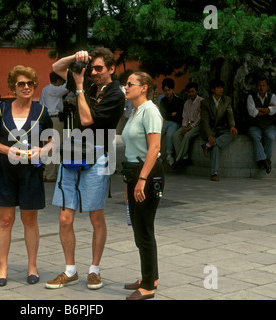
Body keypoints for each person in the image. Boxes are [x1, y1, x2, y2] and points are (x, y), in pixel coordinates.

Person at [46, 47, 125, 290]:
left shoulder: (115, 94)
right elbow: (56, 68)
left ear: (111, 69)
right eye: (92, 68)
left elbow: (88, 120)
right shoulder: (88, 83)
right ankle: (70, 270)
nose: (94, 73)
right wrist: (76, 58)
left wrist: (79, 87)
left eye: (99, 68)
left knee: (95, 216)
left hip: (99, 155)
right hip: (72, 152)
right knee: (64, 217)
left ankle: (94, 269)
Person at [0, 65, 54, 287]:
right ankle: (2, 268)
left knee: (30, 219)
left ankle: (32, 266)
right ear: (13, 87)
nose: (26, 87)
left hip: (30, 172)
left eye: (30, 84)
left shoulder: (41, 111)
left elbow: (52, 139)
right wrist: (6, 150)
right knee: (5, 220)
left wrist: (43, 150)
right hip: (5, 170)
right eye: (21, 84)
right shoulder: (0, 108)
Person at [121, 71, 164, 300]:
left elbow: (154, 148)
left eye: (130, 84)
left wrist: (142, 180)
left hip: (147, 175)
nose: (126, 87)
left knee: (144, 231)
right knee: (140, 229)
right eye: (125, 84)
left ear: (144, 87)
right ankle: (151, 276)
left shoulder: (150, 111)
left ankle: (148, 286)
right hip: (135, 174)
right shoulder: (135, 111)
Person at [200, 79, 238, 181]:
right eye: (218, 88)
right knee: (215, 147)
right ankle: (214, 173)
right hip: (210, 129)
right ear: (213, 90)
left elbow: (230, 114)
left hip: (221, 128)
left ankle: (207, 146)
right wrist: (209, 136)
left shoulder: (226, 100)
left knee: (232, 134)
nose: (221, 90)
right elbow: (204, 121)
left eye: (222, 87)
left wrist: (232, 126)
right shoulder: (205, 102)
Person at [246, 76, 276, 174]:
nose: (261, 88)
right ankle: (265, 161)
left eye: (263, 85)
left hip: (269, 125)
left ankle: (263, 161)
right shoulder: (251, 97)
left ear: (267, 86)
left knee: (271, 137)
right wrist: (267, 109)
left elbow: (273, 111)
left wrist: (260, 109)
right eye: (259, 85)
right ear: (256, 86)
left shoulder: (272, 96)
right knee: (255, 136)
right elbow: (252, 113)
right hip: (255, 125)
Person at [40, 72, 68, 182]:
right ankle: (52, 175)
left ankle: (47, 173)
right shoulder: (55, 89)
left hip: (46, 119)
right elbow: (68, 86)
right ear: (58, 81)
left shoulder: (45, 89)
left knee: (48, 147)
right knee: (55, 147)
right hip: (54, 119)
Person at [172, 82, 203, 167]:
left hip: (197, 126)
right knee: (176, 135)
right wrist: (184, 127)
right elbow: (185, 117)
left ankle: (178, 159)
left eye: (193, 91)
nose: (191, 94)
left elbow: (199, 119)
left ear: (197, 91)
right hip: (188, 125)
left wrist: (189, 128)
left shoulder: (201, 101)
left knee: (187, 136)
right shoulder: (186, 103)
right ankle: (185, 158)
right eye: (189, 92)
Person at [159, 78, 183, 166]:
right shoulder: (162, 101)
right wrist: (171, 114)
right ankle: (157, 155)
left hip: (175, 123)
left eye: (169, 90)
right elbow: (163, 114)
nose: (167, 92)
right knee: (158, 133)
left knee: (170, 134)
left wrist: (170, 115)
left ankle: (169, 156)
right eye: (165, 91)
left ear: (173, 90)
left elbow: (179, 116)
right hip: (166, 122)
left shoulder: (179, 101)